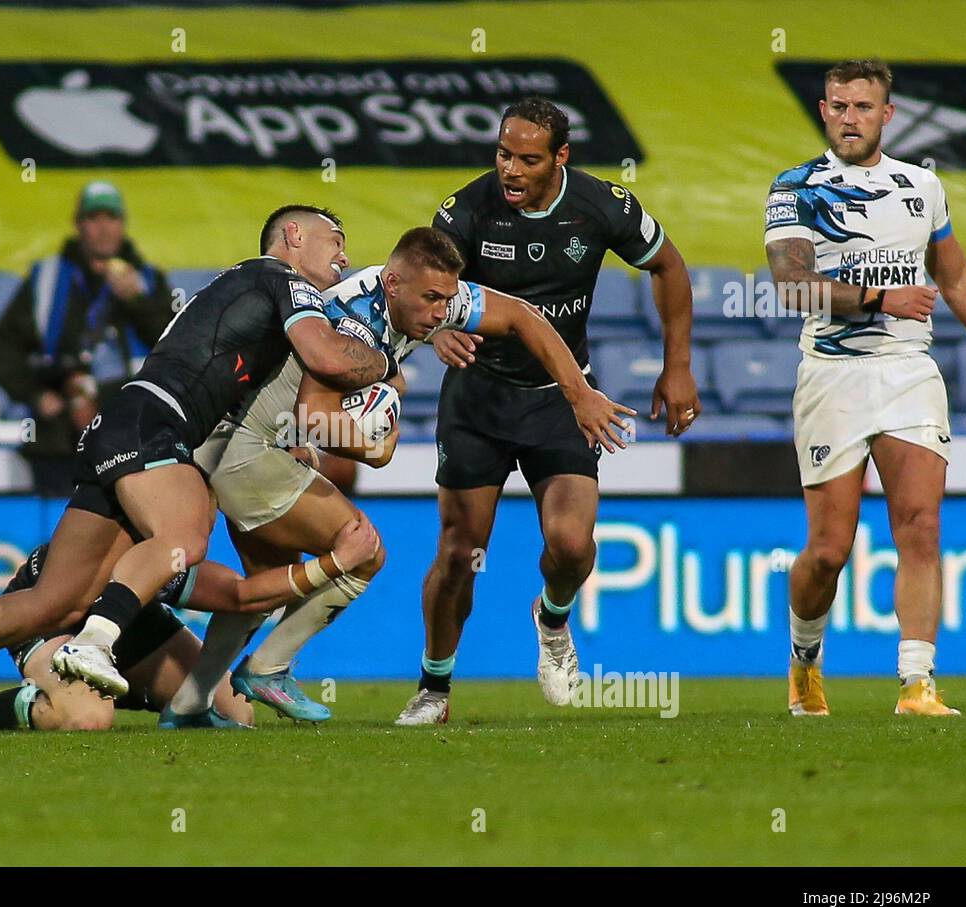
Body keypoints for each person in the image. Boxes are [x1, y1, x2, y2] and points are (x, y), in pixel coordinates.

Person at [0, 205, 398, 733]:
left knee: (55, 600)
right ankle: (96, 643)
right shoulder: (279, 276)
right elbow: (327, 357)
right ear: (294, 235)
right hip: (157, 422)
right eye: (335, 241)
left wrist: (293, 439)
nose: (344, 256)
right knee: (185, 535)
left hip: (123, 421)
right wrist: (388, 365)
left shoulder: (245, 295)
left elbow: (245, 396)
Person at [183, 226, 632, 724]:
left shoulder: (412, 299)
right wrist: (374, 448)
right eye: (432, 301)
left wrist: (578, 392)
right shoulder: (355, 323)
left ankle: (187, 705)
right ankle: (268, 668)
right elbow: (313, 416)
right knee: (362, 551)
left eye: (447, 301)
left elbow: (524, 317)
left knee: (268, 586)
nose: (442, 314)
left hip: (237, 440)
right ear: (393, 285)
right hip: (248, 450)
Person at [400, 96, 701, 726]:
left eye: (527, 159)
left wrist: (677, 366)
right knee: (459, 553)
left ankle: (553, 618)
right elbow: (410, 286)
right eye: (503, 154)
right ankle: (434, 687)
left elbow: (668, 267)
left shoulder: (603, 207)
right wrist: (432, 333)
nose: (510, 170)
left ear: (560, 158)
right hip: (478, 398)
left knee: (570, 545)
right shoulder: (465, 210)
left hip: (564, 399)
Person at [764, 58, 966, 717]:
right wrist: (884, 297)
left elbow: (959, 278)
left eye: (862, 107)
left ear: (887, 115)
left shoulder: (922, 187)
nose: (849, 117)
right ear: (823, 112)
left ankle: (917, 684)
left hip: (910, 371)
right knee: (829, 552)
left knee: (920, 524)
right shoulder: (795, 188)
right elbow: (792, 282)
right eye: (837, 106)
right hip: (832, 377)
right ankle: (804, 660)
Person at [0, 510, 378, 732]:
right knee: (87, 718)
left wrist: (335, 563)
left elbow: (239, 595)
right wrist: (336, 562)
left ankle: (127, 687)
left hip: (130, 622)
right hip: (56, 619)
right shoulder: (129, 522)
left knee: (235, 713)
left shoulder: (171, 538)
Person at [0, 181, 173, 495]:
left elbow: (173, 346)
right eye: (93, 219)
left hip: (129, 428)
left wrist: (137, 301)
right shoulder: (47, 278)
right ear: (78, 225)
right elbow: (6, 345)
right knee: (61, 530)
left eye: (111, 218)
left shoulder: (146, 279)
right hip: (59, 437)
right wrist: (35, 395)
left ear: (123, 224)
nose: (103, 229)